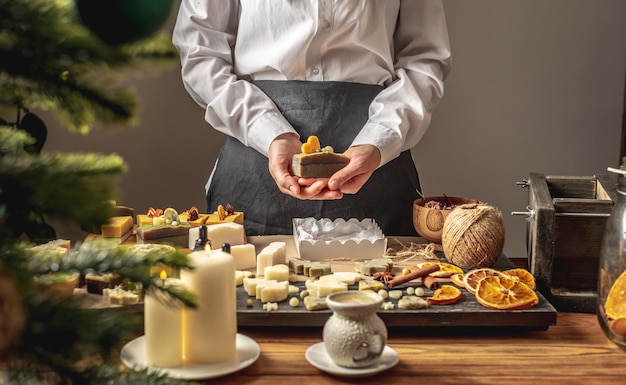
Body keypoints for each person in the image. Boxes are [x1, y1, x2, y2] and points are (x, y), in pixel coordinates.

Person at [172, 1, 451, 237]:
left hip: (378, 169)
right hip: (254, 163)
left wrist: (380, 138)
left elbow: (424, 58)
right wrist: (268, 132)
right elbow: (199, 52)